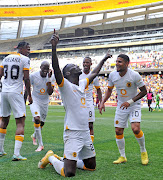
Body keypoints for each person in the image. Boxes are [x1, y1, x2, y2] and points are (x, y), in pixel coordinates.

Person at [38, 33, 111, 177]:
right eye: (75, 66)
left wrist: (104, 58)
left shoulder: (82, 84)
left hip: (85, 132)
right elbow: (57, 68)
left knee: (90, 167)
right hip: (72, 132)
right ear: (69, 72)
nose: (79, 66)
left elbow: (95, 72)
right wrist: (54, 47)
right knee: (69, 172)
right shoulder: (65, 86)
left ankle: (62, 158)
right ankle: (51, 157)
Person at [99, 54, 149, 165]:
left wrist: (130, 102)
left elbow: (144, 91)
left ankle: (143, 151)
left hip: (134, 105)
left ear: (127, 63)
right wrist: (102, 102)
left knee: (135, 129)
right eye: (116, 61)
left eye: (120, 62)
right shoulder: (112, 75)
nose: (117, 63)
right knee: (118, 130)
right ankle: (122, 156)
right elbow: (109, 90)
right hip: (121, 106)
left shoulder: (134, 75)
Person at [0, 41, 33, 160]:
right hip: (15, 92)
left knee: (4, 120)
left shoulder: (6, 58)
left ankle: (0, 150)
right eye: (27, 49)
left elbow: (0, 75)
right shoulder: (24, 59)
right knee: (20, 122)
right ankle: (17, 154)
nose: (29, 51)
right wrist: (29, 95)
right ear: (21, 49)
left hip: (4, 92)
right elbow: (26, 78)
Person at [29, 61, 55, 151]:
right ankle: (41, 145)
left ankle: (34, 136)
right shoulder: (33, 76)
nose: (45, 70)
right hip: (35, 100)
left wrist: (49, 79)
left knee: (42, 123)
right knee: (37, 119)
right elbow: (27, 86)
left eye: (47, 68)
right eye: (44, 67)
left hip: (45, 102)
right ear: (40, 67)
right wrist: (28, 97)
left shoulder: (51, 77)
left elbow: (50, 92)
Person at [79, 57, 102, 142]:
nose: (85, 64)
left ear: (91, 64)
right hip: (79, 102)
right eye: (84, 62)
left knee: (90, 125)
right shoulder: (78, 74)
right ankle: (81, 142)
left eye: (87, 62)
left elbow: (98, 89)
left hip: (88, 103)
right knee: (79, 125)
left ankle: (90, 144)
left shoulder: (93, 76)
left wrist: (101, 102)